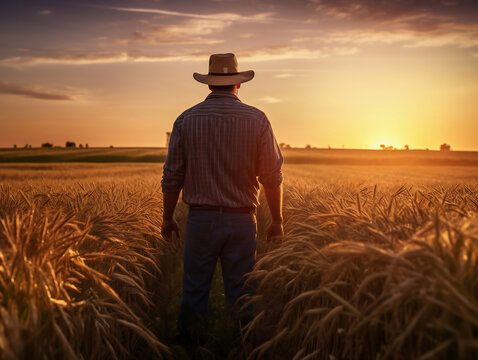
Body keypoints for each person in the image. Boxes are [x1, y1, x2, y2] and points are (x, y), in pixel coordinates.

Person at [160, 53, 284, 343]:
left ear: (209, 84)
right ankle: (247, 345)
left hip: (201, 220)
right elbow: (272, 176)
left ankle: (188, 346)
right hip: (242, 220)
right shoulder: (258, 119)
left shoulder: (185, 119)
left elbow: (172, 176)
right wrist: (277, 220)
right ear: (238, 85)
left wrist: (167, 218)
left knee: (194, 289)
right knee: (243, 293)